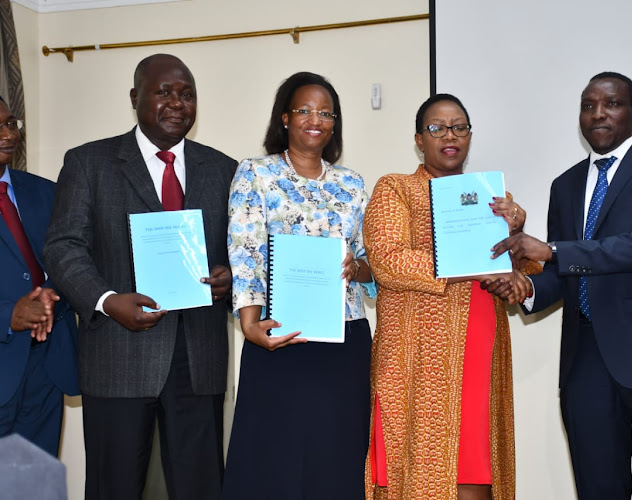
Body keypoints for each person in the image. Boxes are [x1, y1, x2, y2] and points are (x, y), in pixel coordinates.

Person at [493, 72, 632, 499]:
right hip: (584, 358)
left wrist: (550, 249)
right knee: (597, 488)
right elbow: (561, 273)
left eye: (612, 104)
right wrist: (525, 289)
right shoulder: (565, 184)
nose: (598, 114)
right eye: (589, 106)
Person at [43, 54, 237, 500]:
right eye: (164, 91)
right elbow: (63, 245)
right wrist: (108, 300)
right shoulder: (89, 162)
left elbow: (236, 252)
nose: (177, 103)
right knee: (115, 488)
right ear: (135, 98)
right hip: (118, 356)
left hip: (199, 357)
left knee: (201, 487)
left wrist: (229, 280)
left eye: (187, 94)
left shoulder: (224, 169)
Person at [362, 93, 537, 500]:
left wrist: (516, 235)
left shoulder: (493, 199)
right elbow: (388, 261)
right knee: (416, 468)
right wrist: (467, 266)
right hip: (417, 355)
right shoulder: (396, 189)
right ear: (419, 140)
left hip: (480, 345)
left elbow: (523, 277)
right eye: (436, 128)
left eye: (459, 127)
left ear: (470, 136)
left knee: (475, 466)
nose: (449, 136)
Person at [223, 71, 376, 500]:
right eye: (305, 110)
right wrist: (250, 325)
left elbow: (370, 262)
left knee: (337, 456)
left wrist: (358, 268)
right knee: (276, 459)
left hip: (344, 338)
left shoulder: (352, 183)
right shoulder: (256, 173)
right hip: (279, 335)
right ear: (285, 118)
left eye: (326, 113)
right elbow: (245, 251)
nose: (316, 119)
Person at [0, 97, 78, 457]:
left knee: (36, 486)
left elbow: (72, 256)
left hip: (47, 365)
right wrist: (8, 316)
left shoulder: (46, 191)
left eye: (11, 123)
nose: (8, 135)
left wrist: (50, 292)